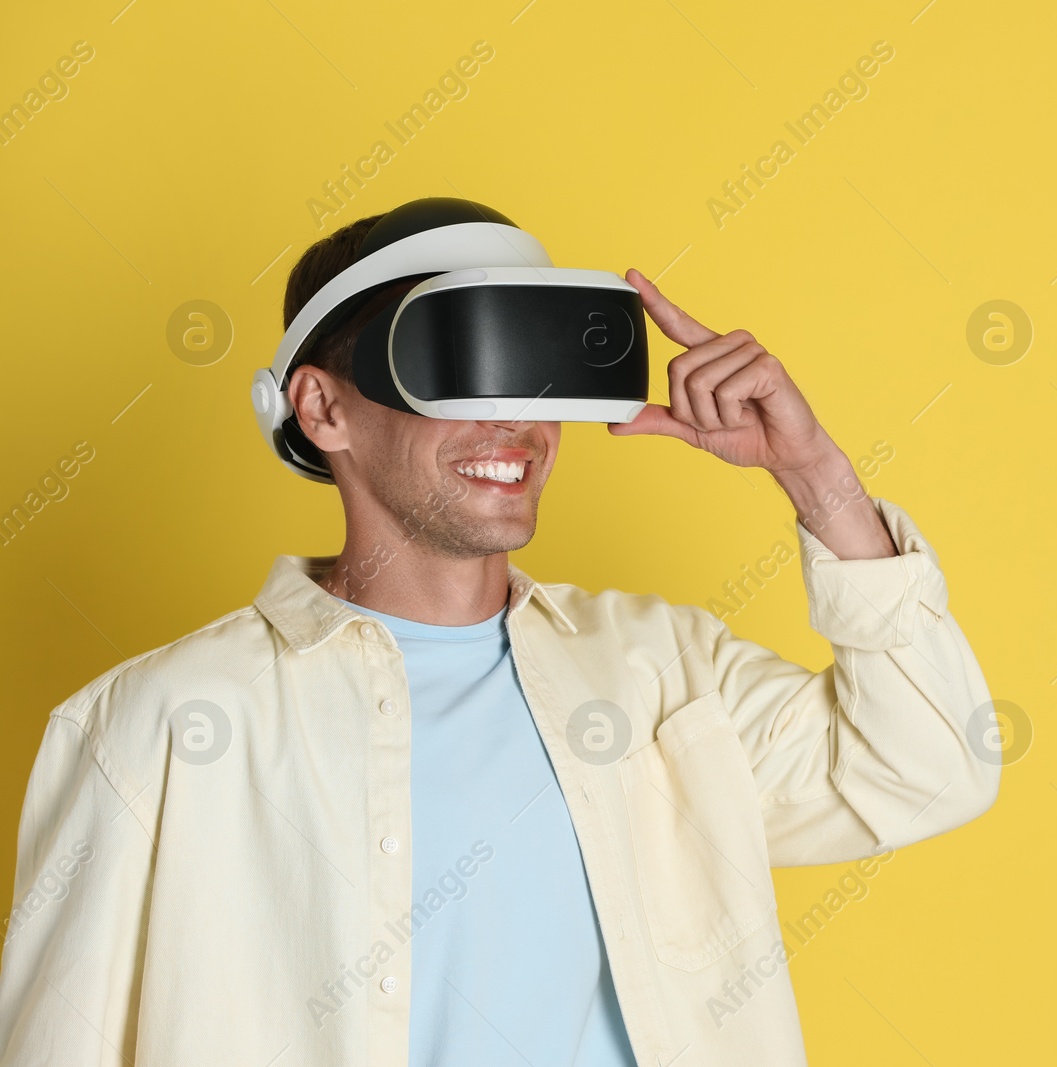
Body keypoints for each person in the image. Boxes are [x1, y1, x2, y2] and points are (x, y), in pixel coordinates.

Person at [0, 202, 999, 1066]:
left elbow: (933, 765)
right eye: (465, 372)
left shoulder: (663, 672)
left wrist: (814, 475)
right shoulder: (159, 724)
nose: (516, 426)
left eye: (537, 378)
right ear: (322, 408)